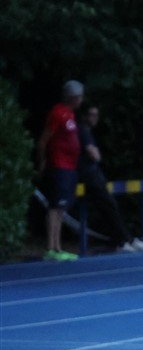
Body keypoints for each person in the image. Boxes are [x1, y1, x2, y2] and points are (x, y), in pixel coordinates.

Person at [77, 105, 143, 253]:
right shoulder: (82, 131)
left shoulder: (87, 132)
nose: (95, 118)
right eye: (92, 115)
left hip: (93, 174)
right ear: (84, 116)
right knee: (109, 205)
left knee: (111, 205)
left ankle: (126, 239)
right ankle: (122, 241)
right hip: (89, 175)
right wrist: (95, 155)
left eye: (97, 115)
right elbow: (94, 155)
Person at [36, 80, 85, 261]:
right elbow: (43, 141)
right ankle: (51, 247)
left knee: (62, 208)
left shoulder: (70, 114)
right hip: (59, 166)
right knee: (55, 206)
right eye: (80, 96)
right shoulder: (57, 113)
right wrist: (42, 161)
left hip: (70, 167)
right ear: (73, 97)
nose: (82, 100)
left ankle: (58, 247)